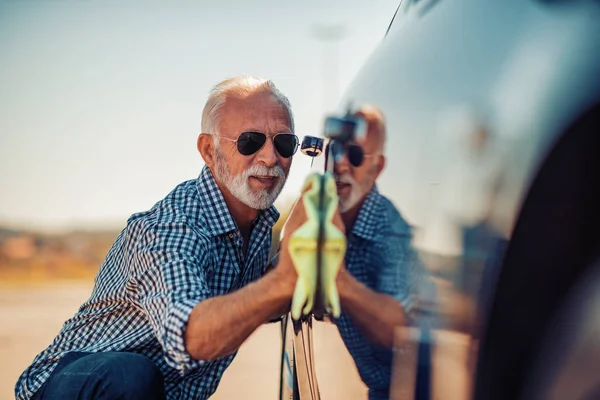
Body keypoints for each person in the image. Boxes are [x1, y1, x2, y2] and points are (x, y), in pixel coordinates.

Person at [15, 76, 303, 400]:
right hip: (68, 386)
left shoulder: (256, 222)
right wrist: (282, 282)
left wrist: (304, 233)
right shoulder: (172, 229)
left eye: (284, 143)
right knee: (129, 375)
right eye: (250, 141)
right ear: (209, 150)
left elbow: (254, 300)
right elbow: (191, 335)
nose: (269, 157)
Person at [329, 106, 422, 400]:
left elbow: (399, 332)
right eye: (334, 150)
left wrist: (334, 275)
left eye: (355, 155)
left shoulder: (391, 230)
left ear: (378, 167)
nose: (341, 163)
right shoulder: (324, 214)